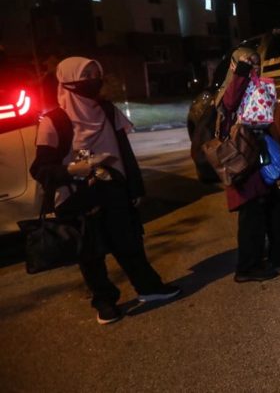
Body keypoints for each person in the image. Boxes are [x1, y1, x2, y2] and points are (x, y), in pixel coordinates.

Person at [30, 57, 180, 325]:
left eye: (95, 73)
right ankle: (105, 301)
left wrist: (135, 186)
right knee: (90, 254)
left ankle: (149, 288)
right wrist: (71, 171)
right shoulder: (54, 121)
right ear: (67, 80)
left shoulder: (109, 111)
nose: (92, 80)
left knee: (129, 242)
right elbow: (40, 168)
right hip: (77, 194)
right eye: (84, 74)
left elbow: (125, 153)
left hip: (113, 187)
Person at [215, 47, 280, 283]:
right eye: (246, 63)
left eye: (255, 63)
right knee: (250, 212)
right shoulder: (230, 89)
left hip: (258, 150)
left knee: (274, 203)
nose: (253, 68)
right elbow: (231, 103)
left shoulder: (254, 85)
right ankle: (247, 267)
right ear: (234, 66)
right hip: (242, 156)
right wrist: (242, 72)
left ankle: (278, 253)